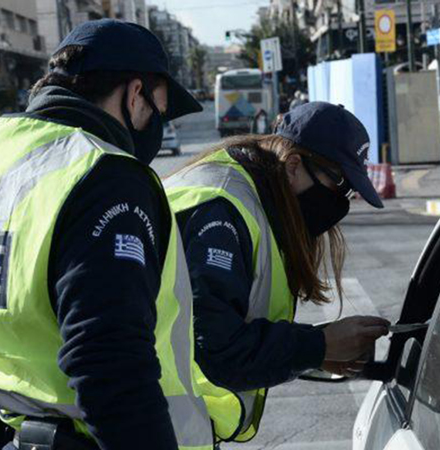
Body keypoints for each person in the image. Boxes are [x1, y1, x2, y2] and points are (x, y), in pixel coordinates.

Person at [0, 20, 213, 450]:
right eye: (156, 110)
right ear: (134, 92)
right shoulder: (106, 174)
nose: (154, 124)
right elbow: (112, 371)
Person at [164, 102, 390, 442]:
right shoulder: (220, 209)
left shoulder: (249, 195)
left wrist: (316, 352)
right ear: (294, 165)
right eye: (340, 185)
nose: (344, 201)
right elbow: (215, 347)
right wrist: (319, 345)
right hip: (151, 427)